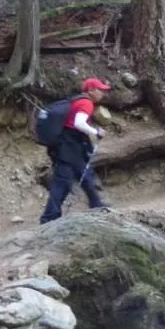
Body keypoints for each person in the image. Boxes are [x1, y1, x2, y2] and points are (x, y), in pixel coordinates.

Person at [40, 78, 110, 224]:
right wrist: (96, 132)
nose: (103, 93)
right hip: (68, 146)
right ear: (91, 90)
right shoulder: (86, 102)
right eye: (100, 90)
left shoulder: (76, 100)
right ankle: (49, 217)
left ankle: (95, 203)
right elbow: (79, 123)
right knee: (63, 181)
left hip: (70, 144)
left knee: (85, 174)